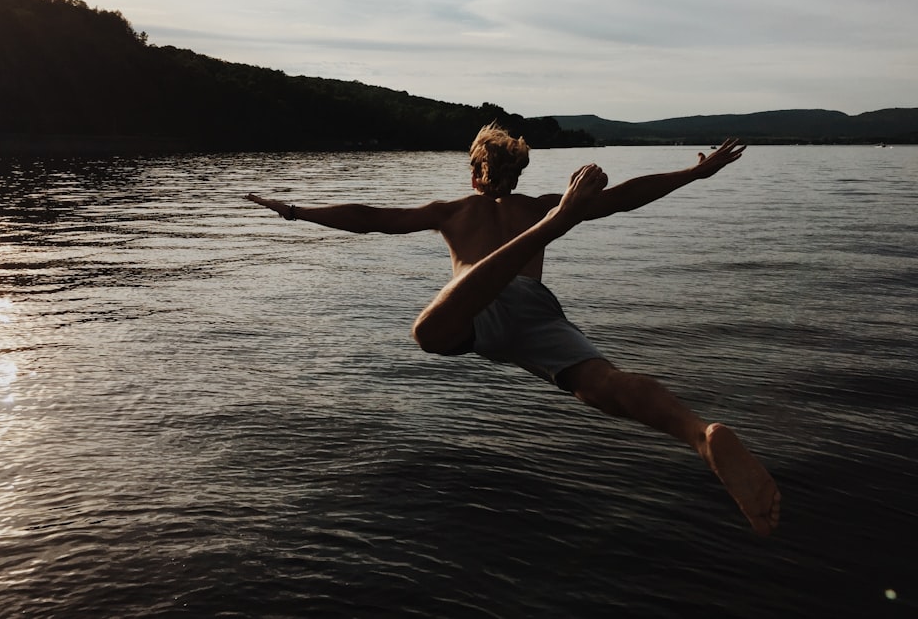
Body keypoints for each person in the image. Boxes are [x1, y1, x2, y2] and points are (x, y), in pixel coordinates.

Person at [246, 125, 780, 536]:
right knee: (605, 385)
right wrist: (694, 173)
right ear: (516, 175)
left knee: (428, 335)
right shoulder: (533, 204)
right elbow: (628, 196)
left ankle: (536, 241)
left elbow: (370, 217)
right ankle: (699, 436)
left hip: (477, 304)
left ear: (475, 174)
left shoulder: (451, 211)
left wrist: (295, 211)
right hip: (536, 312)